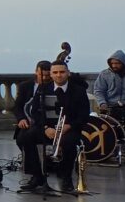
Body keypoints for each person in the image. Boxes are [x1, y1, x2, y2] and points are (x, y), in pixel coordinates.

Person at [16, 60, 90, 192]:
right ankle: (37, 176)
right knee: (24, 138)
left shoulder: (78, 91)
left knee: (69, 142)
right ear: (51, 74)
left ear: (68, 73)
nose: (59, 75)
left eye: (62, 72)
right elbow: (35, 112)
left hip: (69, 128)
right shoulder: (43, 88)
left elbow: (84, 115)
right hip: (47, 128)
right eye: (55, 72)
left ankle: (66, 177)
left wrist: (69, 126)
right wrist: (45, 128)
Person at [93, 50, 125, 146]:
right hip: (111, 106)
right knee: (107, 131)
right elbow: (99, 90)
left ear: (124, 63)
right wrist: (102, 103)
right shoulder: (104, 74)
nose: (114, 65)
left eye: (117, 63)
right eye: (112, 63)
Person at [13, 60, 52, 139]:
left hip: (49, 123)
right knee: (22, 139)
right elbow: (18, 106)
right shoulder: (25, 86)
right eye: (41, 75)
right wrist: (21, 119)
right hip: (29, 122)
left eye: (47, 75)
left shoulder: (55, 85)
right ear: (36, 72)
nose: (44, 78)